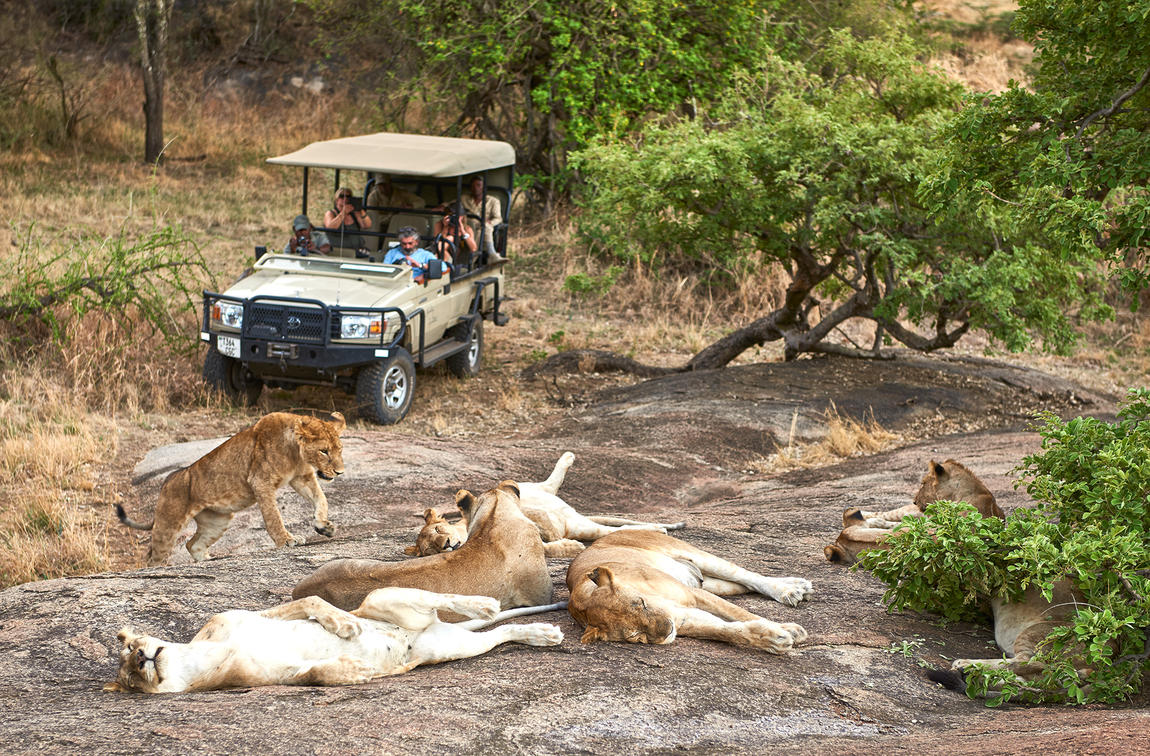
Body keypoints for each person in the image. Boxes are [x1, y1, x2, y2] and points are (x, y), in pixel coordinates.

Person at [458, 174, 504, 263]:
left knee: (484, 227)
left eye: (478, 185)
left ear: (484, 187)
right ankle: (490, 255)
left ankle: (475, 258)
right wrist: (442, 206)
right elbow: (451, 204)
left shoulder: (493, 201)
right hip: (467, 225)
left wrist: (490, 222)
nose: (475, 188)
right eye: (473, 186)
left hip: (483, 226)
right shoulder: (464, 198)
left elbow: (498, 218)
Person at [323, 187, 372, 252]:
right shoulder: (330, 213)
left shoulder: (354, 213)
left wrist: (361, 211)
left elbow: (367, 225)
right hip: (337, 250)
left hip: (356, 250)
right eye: (342, 196)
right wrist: (343, 213)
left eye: (348, 196)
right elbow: (330, 227)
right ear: (337, 200)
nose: (345, 199)